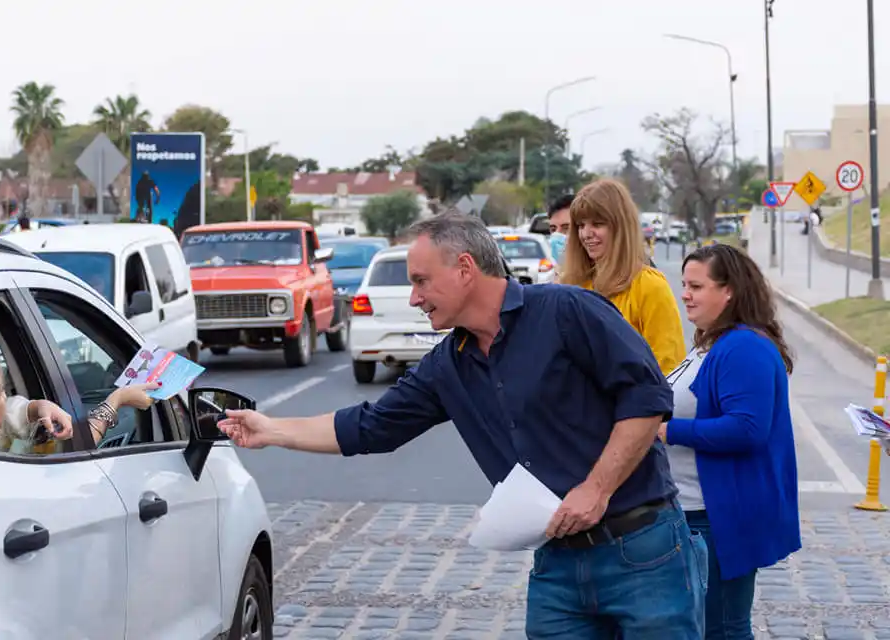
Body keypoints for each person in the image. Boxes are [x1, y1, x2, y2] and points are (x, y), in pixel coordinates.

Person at [217, 213, 707, 637]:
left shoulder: (566, 311)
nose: (414, 298)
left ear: (465, 269)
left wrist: (597, 489)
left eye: (421, 281)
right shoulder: (448, 364)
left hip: (643, 552)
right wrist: (271, 430)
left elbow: (647, 399)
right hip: (558, 564)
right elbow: (370, 426)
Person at [658, 243, 801, 639]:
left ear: (729, 291)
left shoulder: (744, 347)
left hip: (718, 517)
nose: (684, 293)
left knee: (721, 628)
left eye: (696, 286)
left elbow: (747, 429)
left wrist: (668, 431)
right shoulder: (711, 342)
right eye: (684, 284)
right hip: (695, 511)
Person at [559, 178, 686, 376]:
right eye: (581, 225)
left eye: (597, 224)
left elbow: (668, 369)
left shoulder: (650, 286)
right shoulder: (571, 285)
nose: (586, 234)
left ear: (621, 227)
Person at [0, 342, 159, 451]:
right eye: (0, 391)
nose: (5, 397)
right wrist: (116, 400)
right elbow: (78, 449)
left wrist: (37, 407)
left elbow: (10, 416)